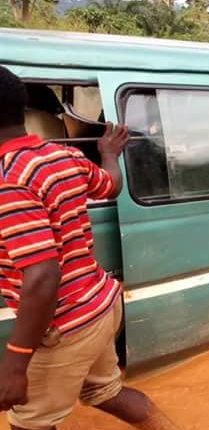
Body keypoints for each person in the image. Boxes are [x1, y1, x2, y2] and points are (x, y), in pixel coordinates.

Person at [0, 66, 177, 429]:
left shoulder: (7, 179)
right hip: (99, 305)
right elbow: (110, 185)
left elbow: (42, 277)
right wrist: (109, 153)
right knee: (107, 392)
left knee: (28, 423)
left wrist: (16, 362)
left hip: (64, 322)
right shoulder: (60, 155)